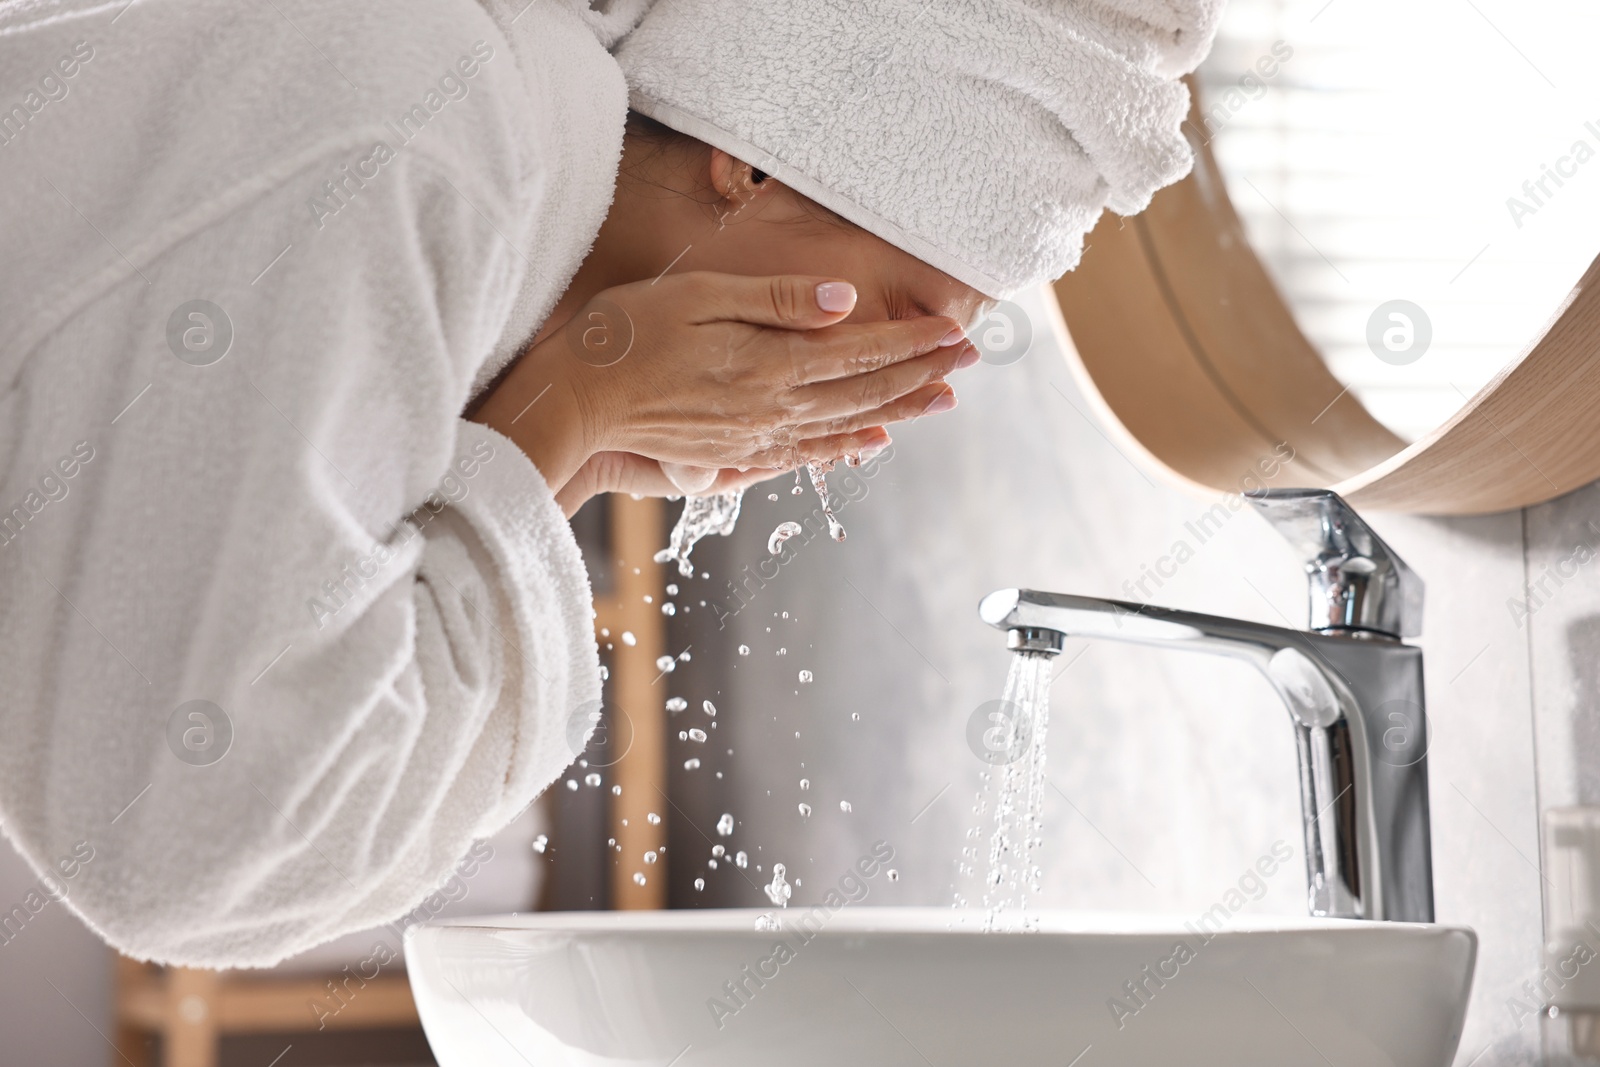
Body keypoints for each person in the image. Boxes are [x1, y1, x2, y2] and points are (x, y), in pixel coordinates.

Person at [0, 0, 1219, 966]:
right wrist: (570, 409)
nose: (879, 412)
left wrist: (576, 437)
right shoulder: (425, 122)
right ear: (757, 158)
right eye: (911, 321)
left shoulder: (482, 169)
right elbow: (193, 839)